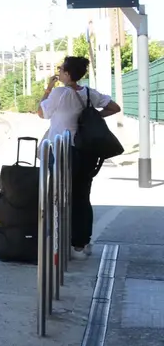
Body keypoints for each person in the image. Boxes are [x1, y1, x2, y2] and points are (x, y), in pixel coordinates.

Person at [38, 55, 120, 257]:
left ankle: (57, 241)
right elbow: (114, 107)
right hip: (86, 152)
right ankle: (80, 245)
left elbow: (41, 113)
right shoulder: (90, 94)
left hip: (61, 152)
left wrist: (47, 89)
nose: (58, 73)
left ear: (67, 73)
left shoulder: (58, 93)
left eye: (61, 70)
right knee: (82, 197)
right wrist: (91, 116)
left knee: (56, 196)